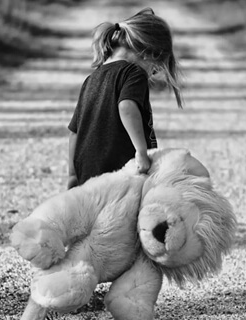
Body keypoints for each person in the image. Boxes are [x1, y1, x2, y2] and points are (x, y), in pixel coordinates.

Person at [66, 8, 183, 189]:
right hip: (120, 170)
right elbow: (127, 107)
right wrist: (141, 152)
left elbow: (75, 131)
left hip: (87, 172)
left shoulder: (91, 79)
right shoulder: (133, 72)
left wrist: (73, 174)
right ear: (148, 52)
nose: (153, 73)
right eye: (156, 68)